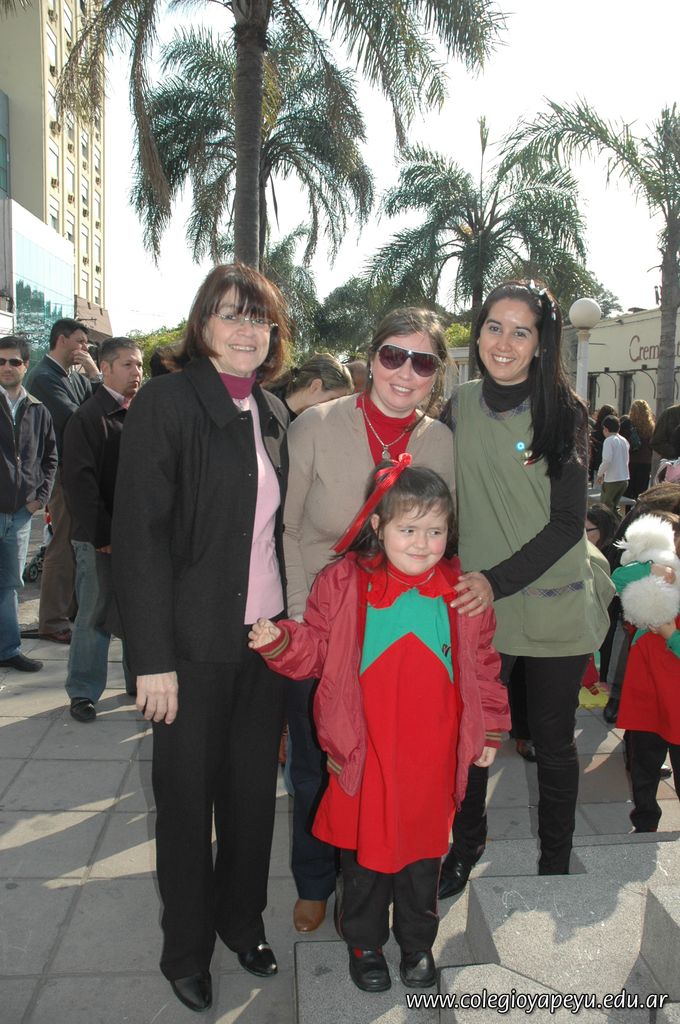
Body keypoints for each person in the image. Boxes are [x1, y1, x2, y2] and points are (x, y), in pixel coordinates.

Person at [250, 459, 509, 992]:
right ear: (378, 525)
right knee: (363, 861)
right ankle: (364, 943)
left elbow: (483, 663)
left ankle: (417, 944)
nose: (422, 543)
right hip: (365, 753)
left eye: (435, 531)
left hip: (431, 757)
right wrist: (281, 643)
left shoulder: (463, 591)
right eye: (408, 529)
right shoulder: (343, 582)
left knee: (422, 859)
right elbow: (317, 648)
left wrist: (489, 728)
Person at [111, 264, 290, 1013]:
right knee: (186, 805)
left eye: (259, 317)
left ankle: (242, 922)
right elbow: (139, 538)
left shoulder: (273, 409)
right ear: (202, 324)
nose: (246, 329)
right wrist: (151, 660)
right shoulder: (168, 401)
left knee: (252, 802)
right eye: (230, 314)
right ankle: (185, 948)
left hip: (264, 643)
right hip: (188, 648)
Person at [283, 308, 455, 935]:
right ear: (371, 356)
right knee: (316, 764)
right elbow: (287, 529)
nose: (406, 371)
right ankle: (314, 878)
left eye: (423, 361)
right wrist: (302, 620)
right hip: (322, 619)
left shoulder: (440, 441)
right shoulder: (316, 425)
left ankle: (380, 881)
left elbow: (440, 538)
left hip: (395, 632)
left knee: (384, 765)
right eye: (393, 355)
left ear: (436, 373)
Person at [443, 279, 614, 892]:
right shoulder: (459, 404)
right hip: (479, 604)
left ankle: (555, 863)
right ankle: (465, 847)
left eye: (522, 331)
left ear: (542, 343)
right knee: (472, 735)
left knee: (552, 740)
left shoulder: (564, 412)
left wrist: (496, 580)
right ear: (477, 332)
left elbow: (569, 523)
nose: (504, 342)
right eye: (494, 327)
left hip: (550, 598)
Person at [61, 339, 143, 723]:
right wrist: (104, 535)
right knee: (94, 615)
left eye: (139, 365)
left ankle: (139, 681)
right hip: (99, 539)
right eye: (127, 365)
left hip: (137, 537)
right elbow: (79, 484)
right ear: (105, 368)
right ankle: (83, 691)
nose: (136, 372)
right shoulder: (89, 416)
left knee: (137, 610)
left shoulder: (140, 412)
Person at [27, 318, 102, 643]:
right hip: (59, 472)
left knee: (76, 542)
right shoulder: (44, 377)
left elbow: (103, 408)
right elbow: (78, 419)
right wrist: (96, 377)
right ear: (61, 340)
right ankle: (53, 620)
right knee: (63, 542)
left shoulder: (74, 377)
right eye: (80, 341)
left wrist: (94, 377)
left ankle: (68, 613)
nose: (85, 348)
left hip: (77, 470)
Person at [612, 512, 680, 831]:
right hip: (647, 689)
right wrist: (653, 568)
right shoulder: (649, 574)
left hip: (675, 693)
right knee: (643, 763)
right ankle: (644, 821)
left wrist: (671, 635)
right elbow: (616, 578)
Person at [0, 335, 57, 672]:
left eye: (14, 361)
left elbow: (50, 457)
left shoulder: (38, 409)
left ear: (25, 365)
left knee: (10, 585)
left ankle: (8, 650)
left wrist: (40, 498)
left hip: (21, 514)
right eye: (1, 361)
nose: (6, 367)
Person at [268, 352, 353, 420]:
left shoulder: (306, 426)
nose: (332, 409)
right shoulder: (266, 408)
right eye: (332, 400)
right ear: (315, 386)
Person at [596, 415, 629, 515]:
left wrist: (600, 474)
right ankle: (617, 522)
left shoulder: (609, 441)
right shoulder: (624, 440)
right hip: (624, 478)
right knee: (614, 508)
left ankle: (607, 524)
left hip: (612, 479)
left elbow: (607, 460)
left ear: (605, 429)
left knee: (605, 508)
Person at [623, 399, 655, 500]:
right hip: (645, 462)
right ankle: (638, 509)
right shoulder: (651, 426)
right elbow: (652, 444)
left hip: (630, 461)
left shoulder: (627, 424)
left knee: (628, 493)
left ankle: (628, 509)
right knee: (641, 492)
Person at [588, 404, 616, 484]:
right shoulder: (614, 430)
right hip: (611, 464)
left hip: (597, 461)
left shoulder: (596, 428)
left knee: (597, 486)